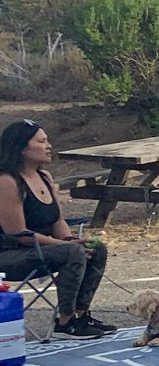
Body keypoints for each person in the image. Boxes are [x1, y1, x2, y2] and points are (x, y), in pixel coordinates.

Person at [0, 119, 112, 337]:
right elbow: (18, 235)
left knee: (95, 247)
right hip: (10, 254)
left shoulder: (45, 177)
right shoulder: (7, 182)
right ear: (22, 148)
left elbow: (58, 222)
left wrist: (71, 239)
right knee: (73, 252)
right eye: (42, 141)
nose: (49, 146)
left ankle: (80, 315)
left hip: (44, 249)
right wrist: (66, 245)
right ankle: (65, 321)